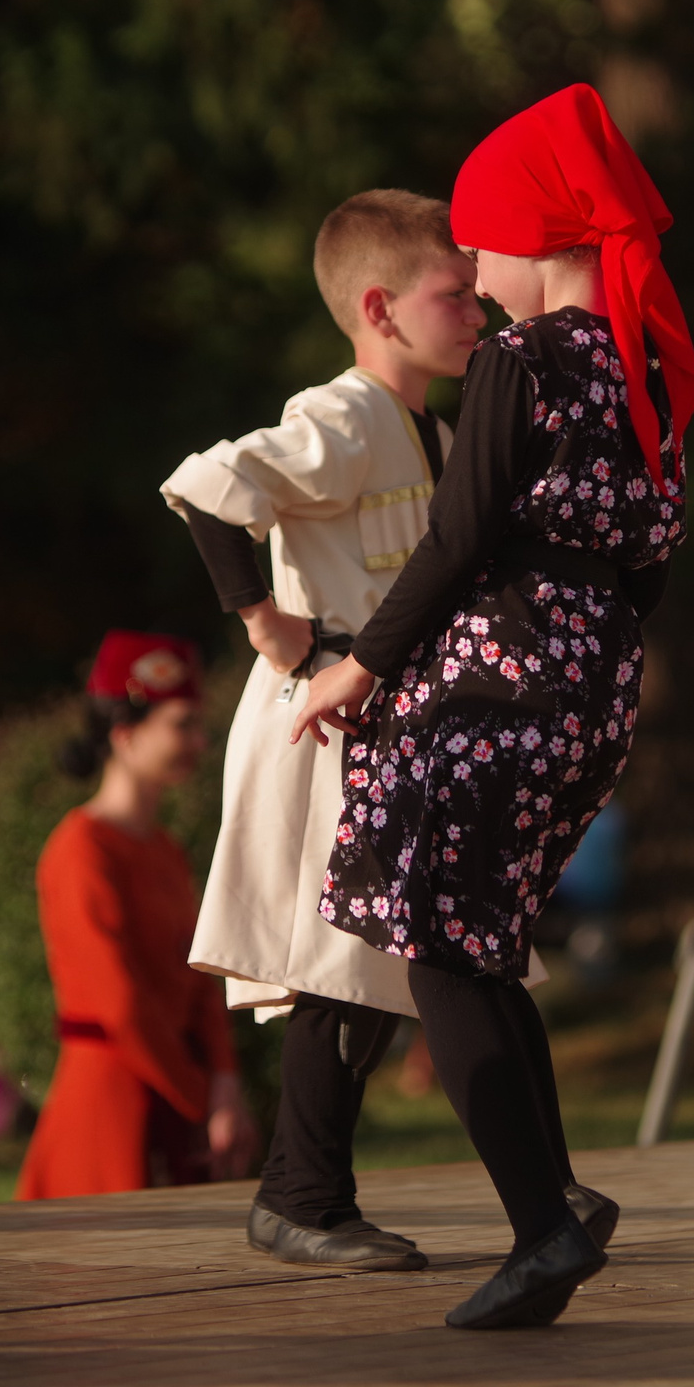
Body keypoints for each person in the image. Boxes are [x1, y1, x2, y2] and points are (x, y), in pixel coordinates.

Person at [293, 82, 694, 1330]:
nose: (473, 269)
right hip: (591, 673)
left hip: (497, 672)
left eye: (484, 243)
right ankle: (556, 1210)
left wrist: (365, 662)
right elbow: (651, 559)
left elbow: (461, 532)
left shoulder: (523, 357)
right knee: (486, 945)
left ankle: (538, 1231)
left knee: (438, 949)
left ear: (546, 237)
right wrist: (593, 660)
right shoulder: (646, 361)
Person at [164, 191, 488, 1271]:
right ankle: (302, 1196)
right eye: (455, 293)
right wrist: (267, 623)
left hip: (380, 712)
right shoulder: (342, 415)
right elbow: (207, 492)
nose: (477, 309)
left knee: (378, 962)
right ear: (381, 308)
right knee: (343, 963)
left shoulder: (430, 429)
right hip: (324, 712)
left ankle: (319, 1189)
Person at [15, 633, 259, 1199]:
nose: (199, 742)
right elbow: (118, 1001)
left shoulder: (164, 849)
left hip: (177, 1090)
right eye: (181, 725)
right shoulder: (80, 848)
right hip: (112, 1102)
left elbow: (202, 974)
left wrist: (225, 1083)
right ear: (125, 736)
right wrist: (203, 1096)